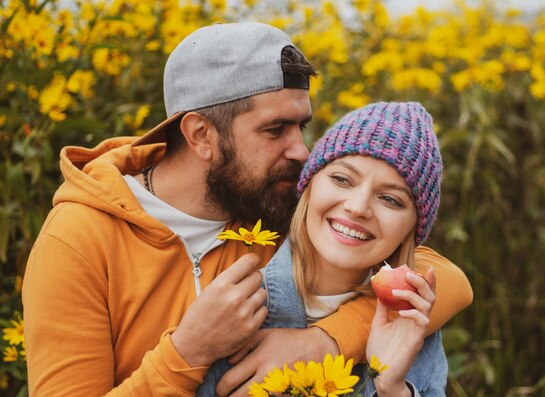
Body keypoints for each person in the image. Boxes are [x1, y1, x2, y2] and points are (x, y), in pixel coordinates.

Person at [22, 23, 473, 396]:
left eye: (302, 125)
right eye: (275, 129)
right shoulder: (79, 238)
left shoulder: (280, 198)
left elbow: (437, 274)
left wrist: (324, 342)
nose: (301, 151)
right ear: (200, 135)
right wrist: (187, 354)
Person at [198, 102, 449, 397]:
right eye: (342, 179)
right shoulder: (236, 307)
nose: (357, 208)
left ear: (412, 229)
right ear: (309, 186)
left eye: (391, 199)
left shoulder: (413, 328)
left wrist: (392, 389)